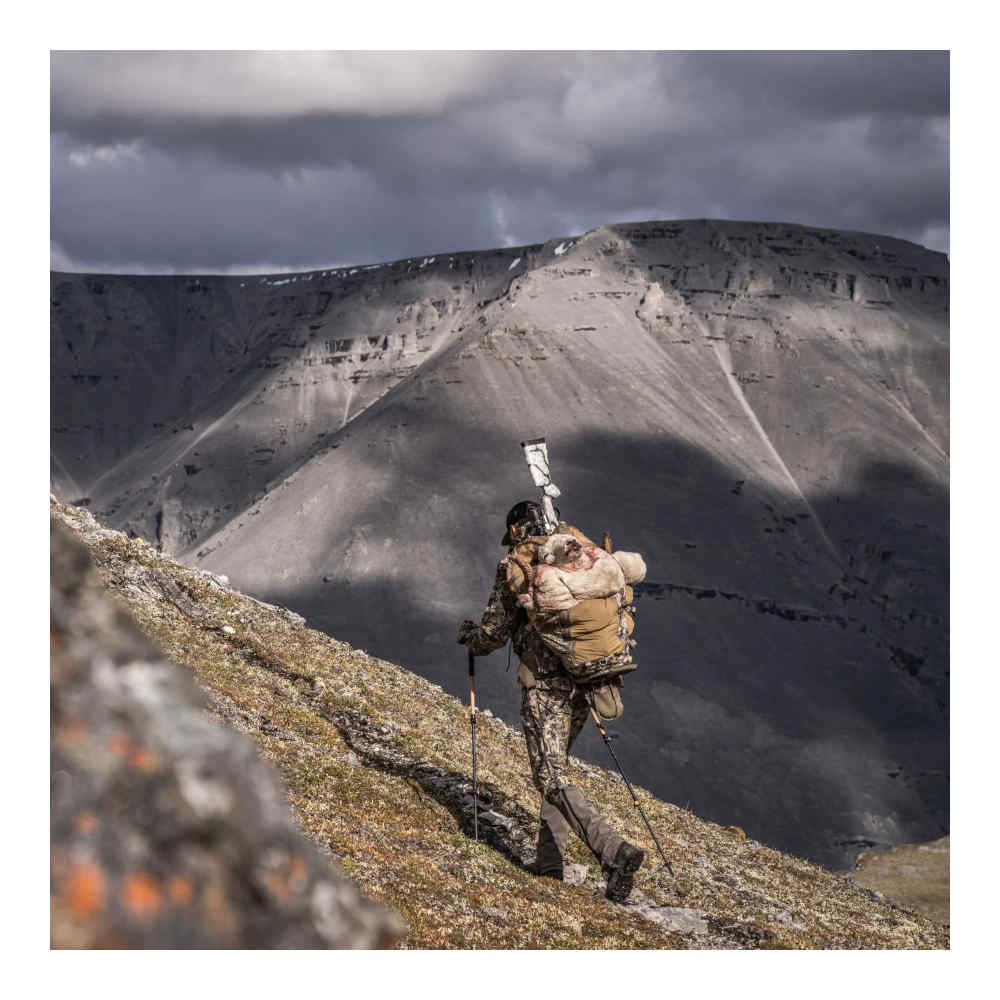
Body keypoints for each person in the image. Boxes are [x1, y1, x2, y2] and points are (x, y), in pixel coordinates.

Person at [457, 500, 645, 902]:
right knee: (555, 770)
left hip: (545, 686)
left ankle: (614, 853)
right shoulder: (576, 557)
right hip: (585, 680)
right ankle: (548, 865)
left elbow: (494, 631)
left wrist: (471, 639)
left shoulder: (521, 568)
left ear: (516, 531)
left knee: (550, 774)